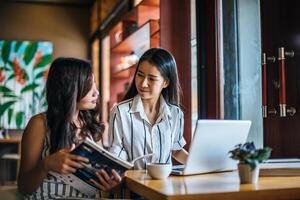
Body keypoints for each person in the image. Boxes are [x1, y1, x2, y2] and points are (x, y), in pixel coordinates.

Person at [18, 57, 122, 199]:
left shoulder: (91, 126)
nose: (96, 93)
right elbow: (24, 187)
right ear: (71, 88)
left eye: (95, 85)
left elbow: (99, 183)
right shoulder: (39, 124)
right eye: (89, 86)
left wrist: (110, 184)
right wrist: (46, 165)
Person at [108, 48, 189, 169]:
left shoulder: (176, 113)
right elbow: (116, 156)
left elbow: (176, 150)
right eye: (140, 75)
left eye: (151, 78)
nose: (143, 83)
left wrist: (201, 165)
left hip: (164, 185)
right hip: (133, 183)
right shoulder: (120, 112)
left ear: (165, 83)